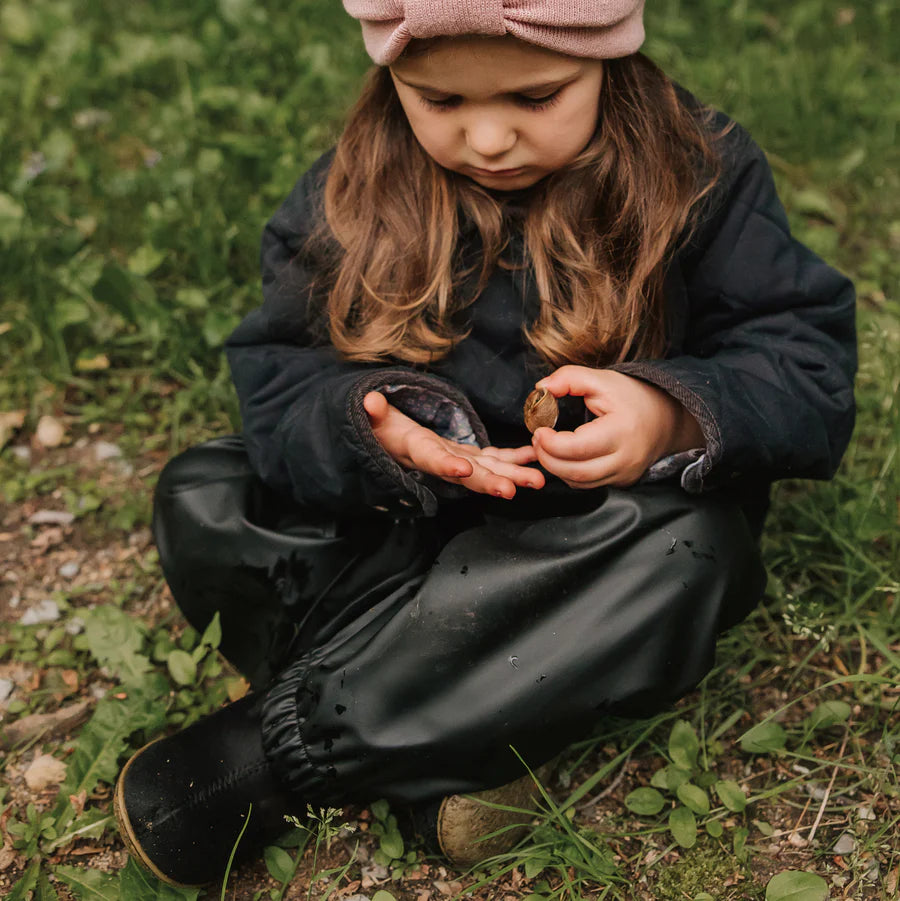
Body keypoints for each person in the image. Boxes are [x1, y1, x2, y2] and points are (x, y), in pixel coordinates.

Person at [113, 0, 857, 888]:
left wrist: (670, 416)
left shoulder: (699, 170)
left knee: (695, 554)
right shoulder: (350, 186)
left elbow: (804, 360)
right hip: (404, 532)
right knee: (204, 490)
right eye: (440, 102)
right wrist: (373, 424)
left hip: (590, 549)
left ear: (607, 59)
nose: (489, 139)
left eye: (537, 97)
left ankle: (281, 754)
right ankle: (465, 728)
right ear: (393, 80)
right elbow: (278, 373)